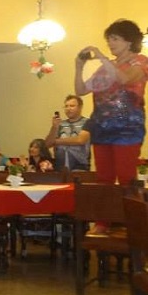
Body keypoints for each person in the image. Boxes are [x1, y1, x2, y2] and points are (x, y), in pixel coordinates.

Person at [76, 19, 148, 188]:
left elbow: (125, 79)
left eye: (115, 39)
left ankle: (131, 214)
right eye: (109, 39)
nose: (110, 43)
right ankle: (106, 215)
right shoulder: (106, 67)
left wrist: (101, 57)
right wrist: (79, 66)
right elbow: (81, 90)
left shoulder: (140, 61)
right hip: (101, 127)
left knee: (126, 177)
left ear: (129, 41)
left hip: (127, 129)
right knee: (103, 178)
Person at [44, 95, 91, 171]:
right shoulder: (60, 124)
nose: (68, 109)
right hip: (60, 167)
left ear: (80, 107)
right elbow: (47, 144)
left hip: (80, 166)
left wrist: (56, 141)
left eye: (72, 106)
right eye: (66, 106)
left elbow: (80, 140)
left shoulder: (87, 122)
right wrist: (54, 127)